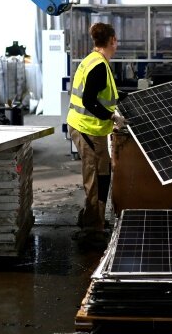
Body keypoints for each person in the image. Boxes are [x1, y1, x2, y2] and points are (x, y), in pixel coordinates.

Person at [66, 22, 126, 249]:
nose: (117, 44)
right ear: (111, 40)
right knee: (97, 179)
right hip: (88, 129)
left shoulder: (94, 60)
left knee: (101, 176)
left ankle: (90, 219)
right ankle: (92, 230)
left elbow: (100, 93)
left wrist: (122, 97)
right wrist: (112, 117)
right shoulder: (99, 66)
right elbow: (89, 101)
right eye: (116, 40)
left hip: (85, 127)